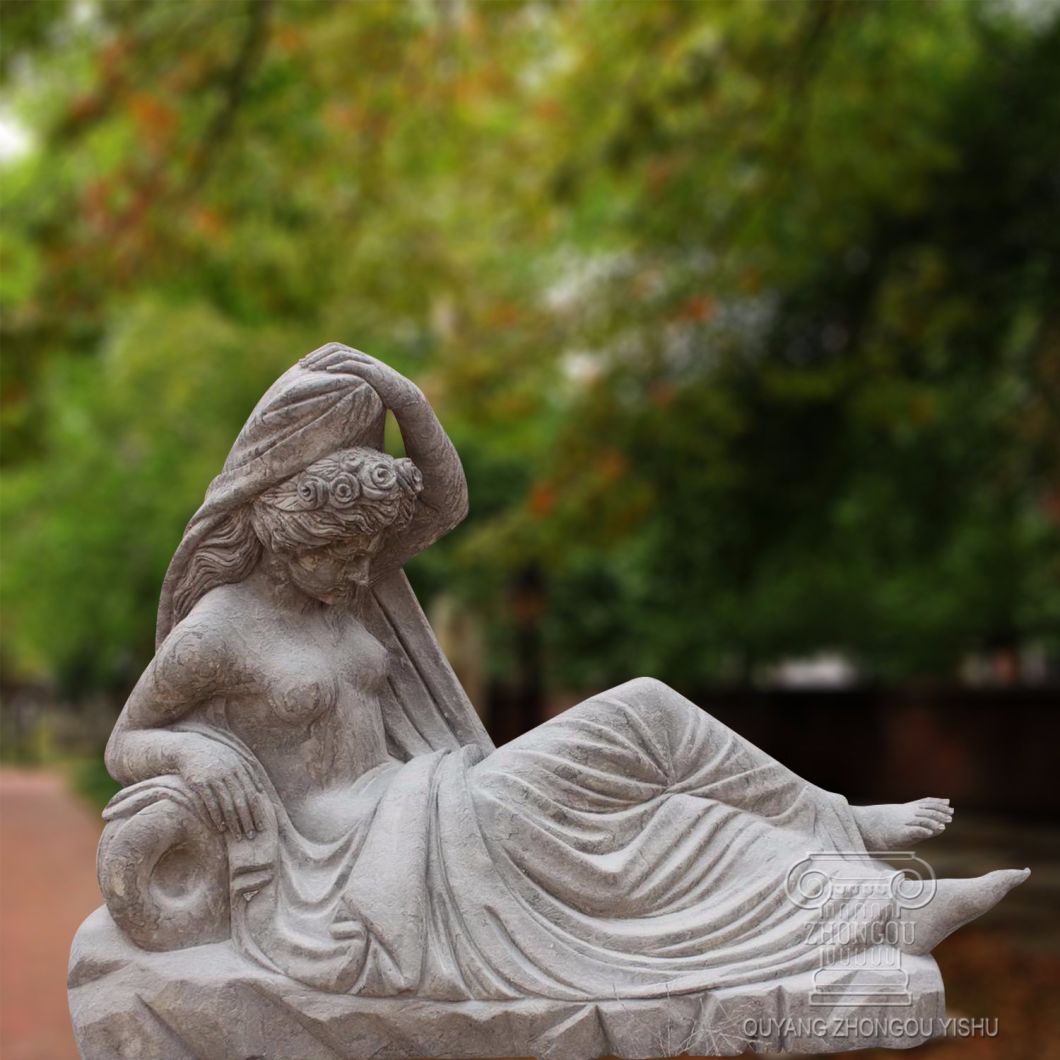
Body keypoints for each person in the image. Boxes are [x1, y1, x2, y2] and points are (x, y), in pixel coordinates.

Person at [102, 344, 1027, 999]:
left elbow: (446, 501)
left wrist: (402, 397)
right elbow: (126, 741)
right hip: (356, 862)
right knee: (646, 730)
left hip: (428, 799)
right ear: (285, 534)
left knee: (667, 819)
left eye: (367, 554)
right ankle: (852, 857)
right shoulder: (217, 630)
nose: (360, 575)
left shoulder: (337, 589)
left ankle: (873, 904)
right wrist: (193, 759)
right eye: (342, 555)